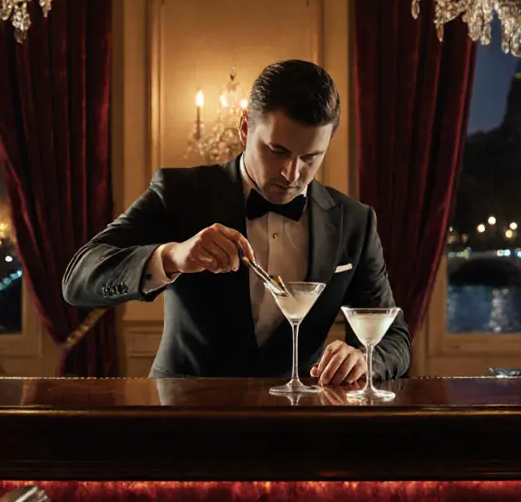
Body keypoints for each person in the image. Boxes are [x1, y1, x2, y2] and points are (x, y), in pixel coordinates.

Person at [63, 59, 410, 383]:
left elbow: (394, 338)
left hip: (299, 427)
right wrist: (172, 257)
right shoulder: (180, 193)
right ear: (245, 129)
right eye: (277, 151)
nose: (292, 173)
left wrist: (366, 359)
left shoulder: (355, 221)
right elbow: (78, 278)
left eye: (311, 157)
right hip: (182, 417)